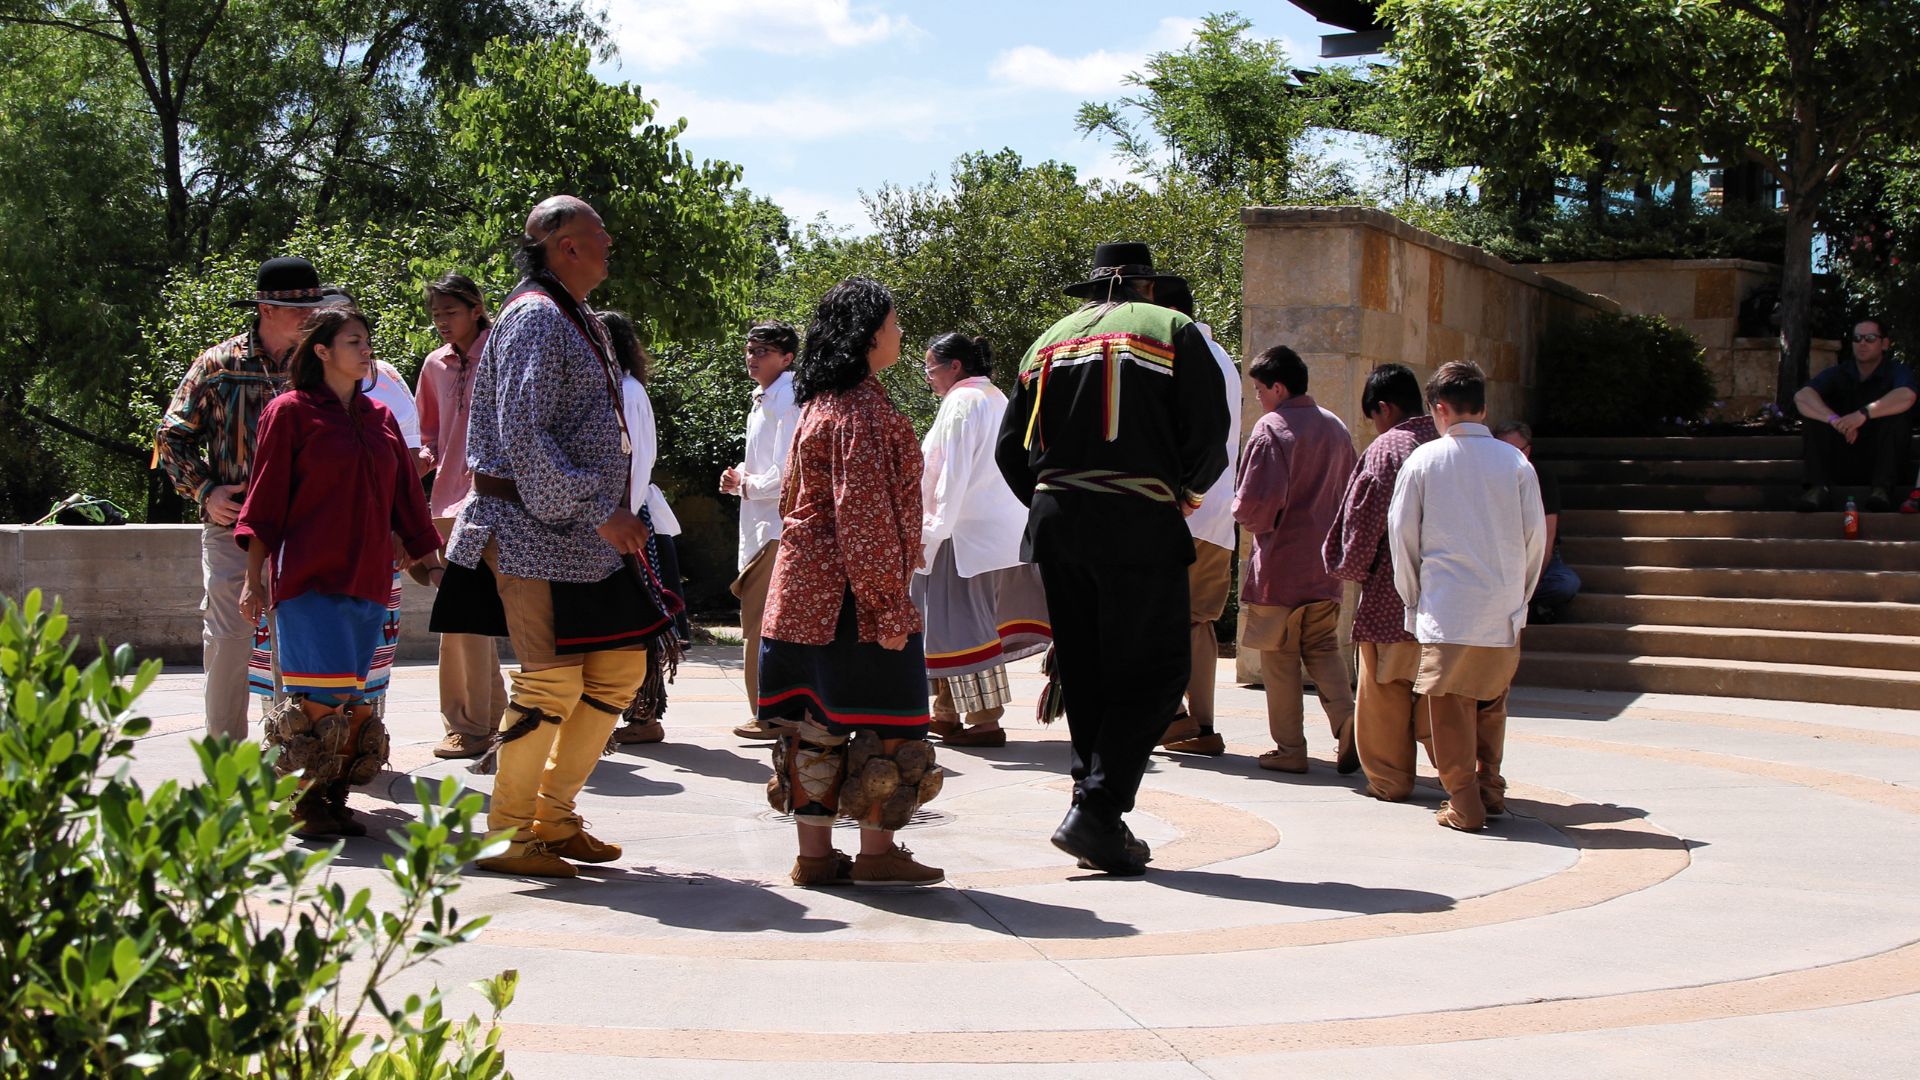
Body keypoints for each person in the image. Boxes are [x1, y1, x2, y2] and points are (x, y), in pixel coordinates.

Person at [437, 195, 667, 878]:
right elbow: (524, 435)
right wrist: (599, 510)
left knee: (622, 668)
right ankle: (509, 834)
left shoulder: (578, 317)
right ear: (565, 244)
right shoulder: (536, 317)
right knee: (549, 685)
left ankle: (554, 816)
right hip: (531, 531)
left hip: (584, 537)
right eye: (599, 234)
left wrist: (601, 516)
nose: (610, 242)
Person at [995, 242, 1229, 876]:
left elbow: (1009, 453)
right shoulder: (1172, 329)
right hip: (1138, 520)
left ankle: (1091, 811)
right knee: (1156, 671)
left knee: (1087, 671)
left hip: (1056, 528)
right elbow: (1210, 433)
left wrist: (1055, 498)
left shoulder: (1044, 342)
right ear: (1147, 289)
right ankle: (1097, 809)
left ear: (1092, 292)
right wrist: (1182, 491)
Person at [756, 277, 944, 887]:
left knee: (815, 725)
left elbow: (794, 502)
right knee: (887, 726)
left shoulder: (818, 406)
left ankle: (814, 858)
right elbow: (863, 519)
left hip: (802, 590)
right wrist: (888, 608)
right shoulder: (863, 411)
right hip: (851, 598)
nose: (898, 334)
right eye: (892, 324)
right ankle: (876, 854)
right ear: (867, 336)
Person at [235, 303, 441, 837]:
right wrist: (253, 578)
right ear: (322, 351)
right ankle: (300, 804)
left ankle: (334, 794)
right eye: (353, 340)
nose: (365, 347)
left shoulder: (381, 418)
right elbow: (265, 501)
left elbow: (408, 502)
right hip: (308, 576)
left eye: (366, 338)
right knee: (316, 699)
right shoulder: (290, 412)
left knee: (355, 698)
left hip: (371, 577)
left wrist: (432, 562)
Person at [155, 256, 327, 740]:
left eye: (317, 307)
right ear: (266, 309)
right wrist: (205, 491)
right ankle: (225, 757)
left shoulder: (318, 365)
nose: (312, 317)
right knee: (230, 641)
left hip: (305, 531)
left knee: (296, 645)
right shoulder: (218, 365)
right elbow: (171, 436)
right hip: (232, 528)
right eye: (301, 310)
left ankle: (293, 750)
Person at [1387, 361, 1544, 832]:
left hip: (1447, 606)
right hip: (1501, 606)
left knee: (1449, 703)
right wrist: (1521, 598)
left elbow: (1403, 537)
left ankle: (1463, 801)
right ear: (1483, 408)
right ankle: (1489, 786)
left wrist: (1412, 600)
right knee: (1492, 699)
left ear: (1439, 409)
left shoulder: (1423, 460)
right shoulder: (1515, 461)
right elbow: (1535, 538)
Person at [912, 332, 1050, 749]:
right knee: (952, 621)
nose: (928, 378)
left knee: (962, 625)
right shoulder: (995, 398)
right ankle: (947, 712)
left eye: (930, 369)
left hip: (963, 532)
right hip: (999, 531)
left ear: (955, 366)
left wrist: (930, 531)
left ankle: (986, 719)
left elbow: (949, 475)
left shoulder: (961, 402)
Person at [1231, 346, 1359, 774]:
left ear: (1278, 386)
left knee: (1280, 658)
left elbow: (1255, 504)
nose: (1258, 397)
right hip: (1327, 568)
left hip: (1282, 567)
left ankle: (1290, 749)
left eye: (1260, 388)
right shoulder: (1337, 427)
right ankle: (1349, 726)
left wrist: (1243, 516)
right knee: (1323, 648)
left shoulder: (1272, 429)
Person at [1324, 363, 1440, 803]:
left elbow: (1364, 518)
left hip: (1392, 596)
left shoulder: (1388, 448)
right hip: (1448, 599)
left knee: (1386, 691)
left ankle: (1390, 779)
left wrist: (1345, 565)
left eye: (1373, 415)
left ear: (1384, 408)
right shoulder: (1445, 440)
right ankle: (1466, 777)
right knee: (1442, 696)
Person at [414, 272, 505, 759]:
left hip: (501, 501)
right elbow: (426, 433)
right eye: (435, 315)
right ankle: (472, 724)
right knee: (460, 617)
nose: (442, 323)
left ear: (475, 308)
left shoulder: (503, 349)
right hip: (449, 503)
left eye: (450, 312)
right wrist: (420, 462)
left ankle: (490, 721)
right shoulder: (433, 365)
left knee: (495, 616)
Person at [1152, 277, 1240, 757]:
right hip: (1217, 517)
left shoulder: (1175, 354)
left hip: (1177, 512)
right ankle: (1201, 726)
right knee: (1199, 622)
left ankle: (1172, 717)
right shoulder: (1224, 357)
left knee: (1156, 618)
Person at [601, 309, 686, 747]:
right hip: (612, 521)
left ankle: (645, 714)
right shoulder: (609, 390)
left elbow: (635, 463)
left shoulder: (628, 391)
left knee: (640, 622)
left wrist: (623, 522)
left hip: (627, 522)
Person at [723, 320, 801, 740]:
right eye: (750, 350)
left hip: (775, 528)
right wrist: (741, 478)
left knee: (759, 624)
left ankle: (770, 713)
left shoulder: (785, 399)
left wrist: (747, 484)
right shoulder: (766, 398)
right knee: (758, 622)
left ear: (787, 358)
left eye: (762, 352)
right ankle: (769, 710)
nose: (752, 359)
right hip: (761, 524)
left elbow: (790, 469)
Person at [1793, 318, 1913, 512]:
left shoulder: (1897, 371)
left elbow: (1907, 396)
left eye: (1870, 338)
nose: (1862, 343)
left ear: (1884, 344)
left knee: (1898, 417)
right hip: (1843, 454)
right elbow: (1802, 396)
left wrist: (1862, 414)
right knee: (1814, 418)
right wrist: (1834, 420)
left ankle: (1881, 490)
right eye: (1857, 338)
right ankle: (1817, 488)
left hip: (1881, 458)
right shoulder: (1839, 373)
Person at [1493, 421, 1581, 623]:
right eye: (1502, 449)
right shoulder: (1486, 477)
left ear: (1528, 451)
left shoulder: (1541, 476)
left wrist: (1530, 584)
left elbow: (1546, 537)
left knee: (1564, 584)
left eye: (1515, 451)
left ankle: (1524, 603)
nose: (1508, 457)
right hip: (1499, 556)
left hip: (1535, 554)